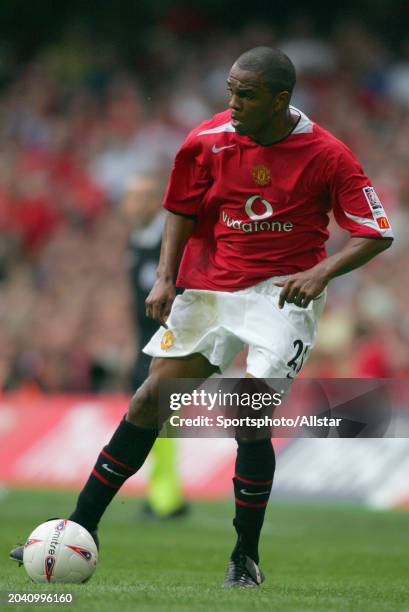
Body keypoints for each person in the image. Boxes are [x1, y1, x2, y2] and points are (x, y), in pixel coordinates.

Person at [10, 46, 393, 588]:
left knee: (248, 416)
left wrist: (323, 272)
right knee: (148, 400)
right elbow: (181, 209)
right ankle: (77, 526)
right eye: (231, 91)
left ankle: (245, 556)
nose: (233, 103)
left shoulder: (327, 154)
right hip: (209, 288)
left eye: (247, 94)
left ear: (281, 100)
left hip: (280, 298)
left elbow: (376, 232)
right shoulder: (207, 140)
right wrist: (166, 276)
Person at [121, 174, 188, 519]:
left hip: (168, 342)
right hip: (143, 344)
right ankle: (162, 492)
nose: (136, 203)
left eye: (144, 196)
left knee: (159, 418)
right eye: (131, 197)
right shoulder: (135, 240)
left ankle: (165, 497)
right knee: (155, 419)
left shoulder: (167, 240)